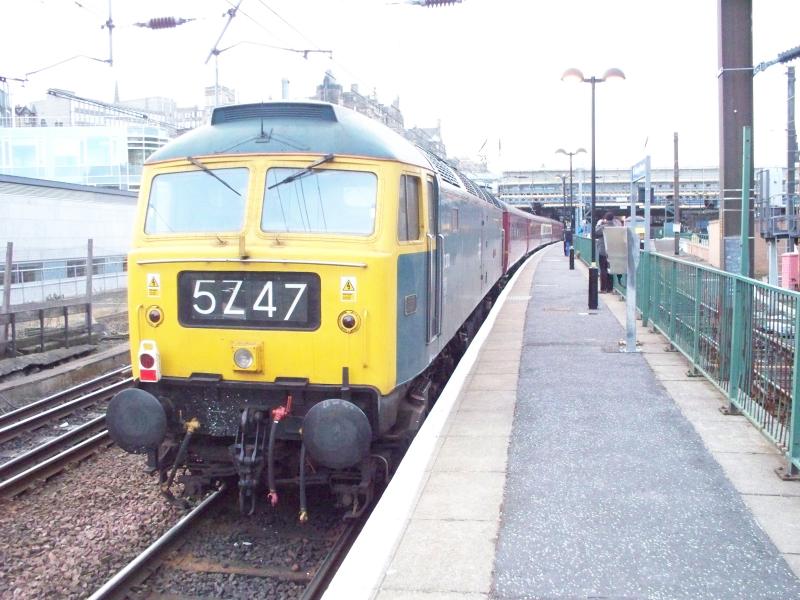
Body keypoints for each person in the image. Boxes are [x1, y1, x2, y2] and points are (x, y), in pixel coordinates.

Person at [595, 211, 622, 293]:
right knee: (611, 269)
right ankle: (610, 288)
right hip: (613, 251)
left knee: (603, 269)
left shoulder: (603, 227)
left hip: (603, 251)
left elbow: (595, 232)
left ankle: (603, 288)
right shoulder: (616, 227)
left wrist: (599, 224)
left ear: (605, 219)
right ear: (613, 218)